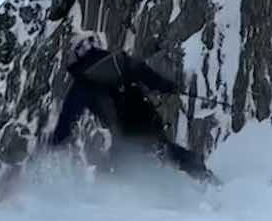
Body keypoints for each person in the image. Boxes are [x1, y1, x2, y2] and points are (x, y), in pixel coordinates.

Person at [50, 34, 214, 182]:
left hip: (124, 131)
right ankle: (204, 176)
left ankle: (139, 203)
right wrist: (168, 86)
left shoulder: (82, 82)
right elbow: (144, 72)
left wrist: (56, 141)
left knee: (120, 169)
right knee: (165, 150)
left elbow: (68, 116)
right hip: (146, 114)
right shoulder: (116, 60)